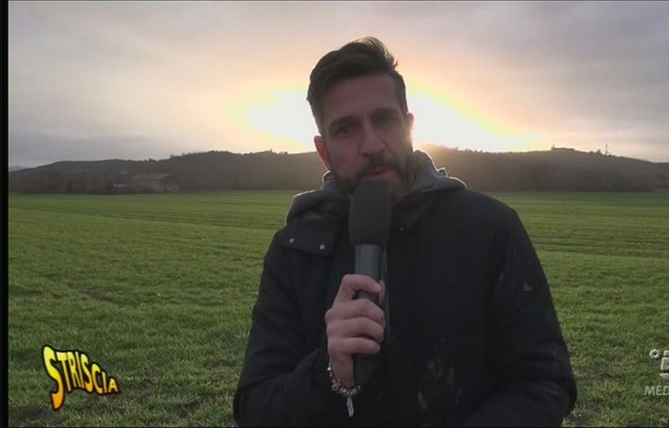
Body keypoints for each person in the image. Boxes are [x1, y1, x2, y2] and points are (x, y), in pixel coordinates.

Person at [234, 37, 577, 427]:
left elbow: (543, 382)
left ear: (409, 128)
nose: (372, 144)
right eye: (346, 129)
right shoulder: (295, 250)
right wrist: (328, 373)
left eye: (384, 119)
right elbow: (255, 408)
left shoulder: (489, 229)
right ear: (324, 151)